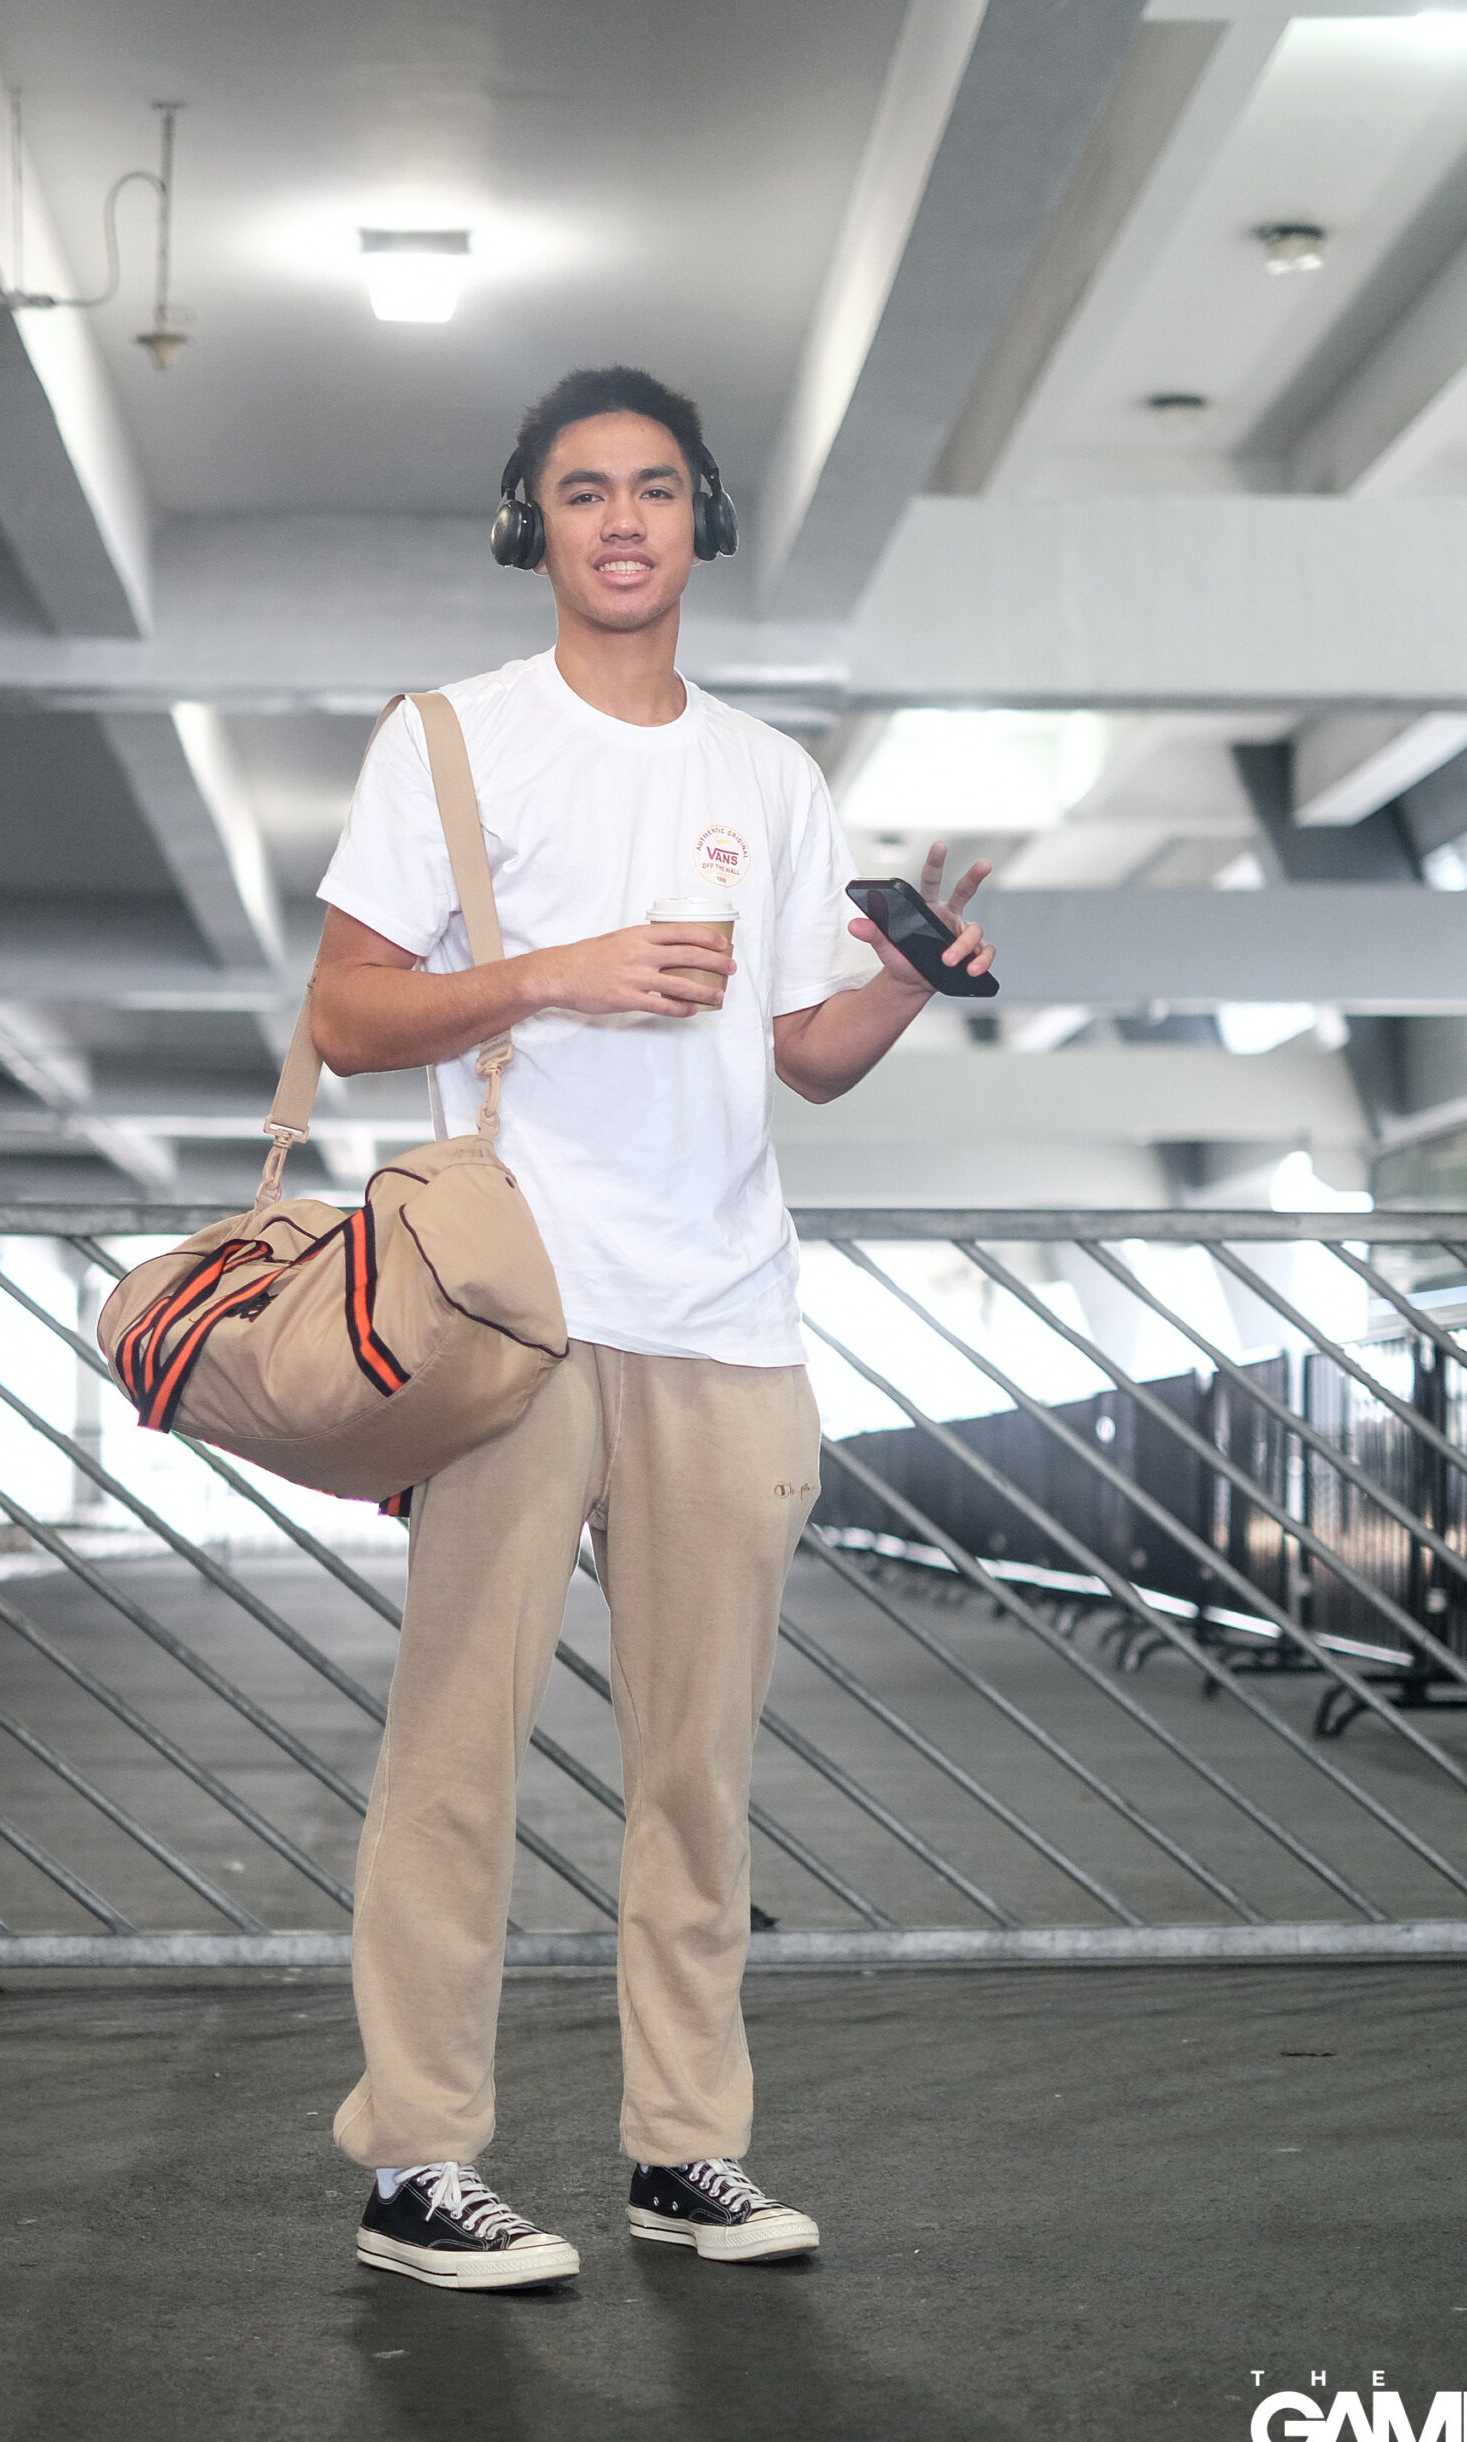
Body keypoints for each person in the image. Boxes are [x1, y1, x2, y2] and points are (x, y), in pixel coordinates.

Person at [309, 365, 994, 2292]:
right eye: (584, 488)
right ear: (532, 521)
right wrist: (560, 973)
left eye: (659, 488)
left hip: (727, 1318)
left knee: (697, 1769)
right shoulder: (450, 742)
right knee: (460, 1754)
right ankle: (416, 2163)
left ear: (704, 520)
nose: (624, 517)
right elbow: (352, 1018)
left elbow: (800, 1060)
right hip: (516, 1314)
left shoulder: (768, 778)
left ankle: (685, 2150)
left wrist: (914, 986)